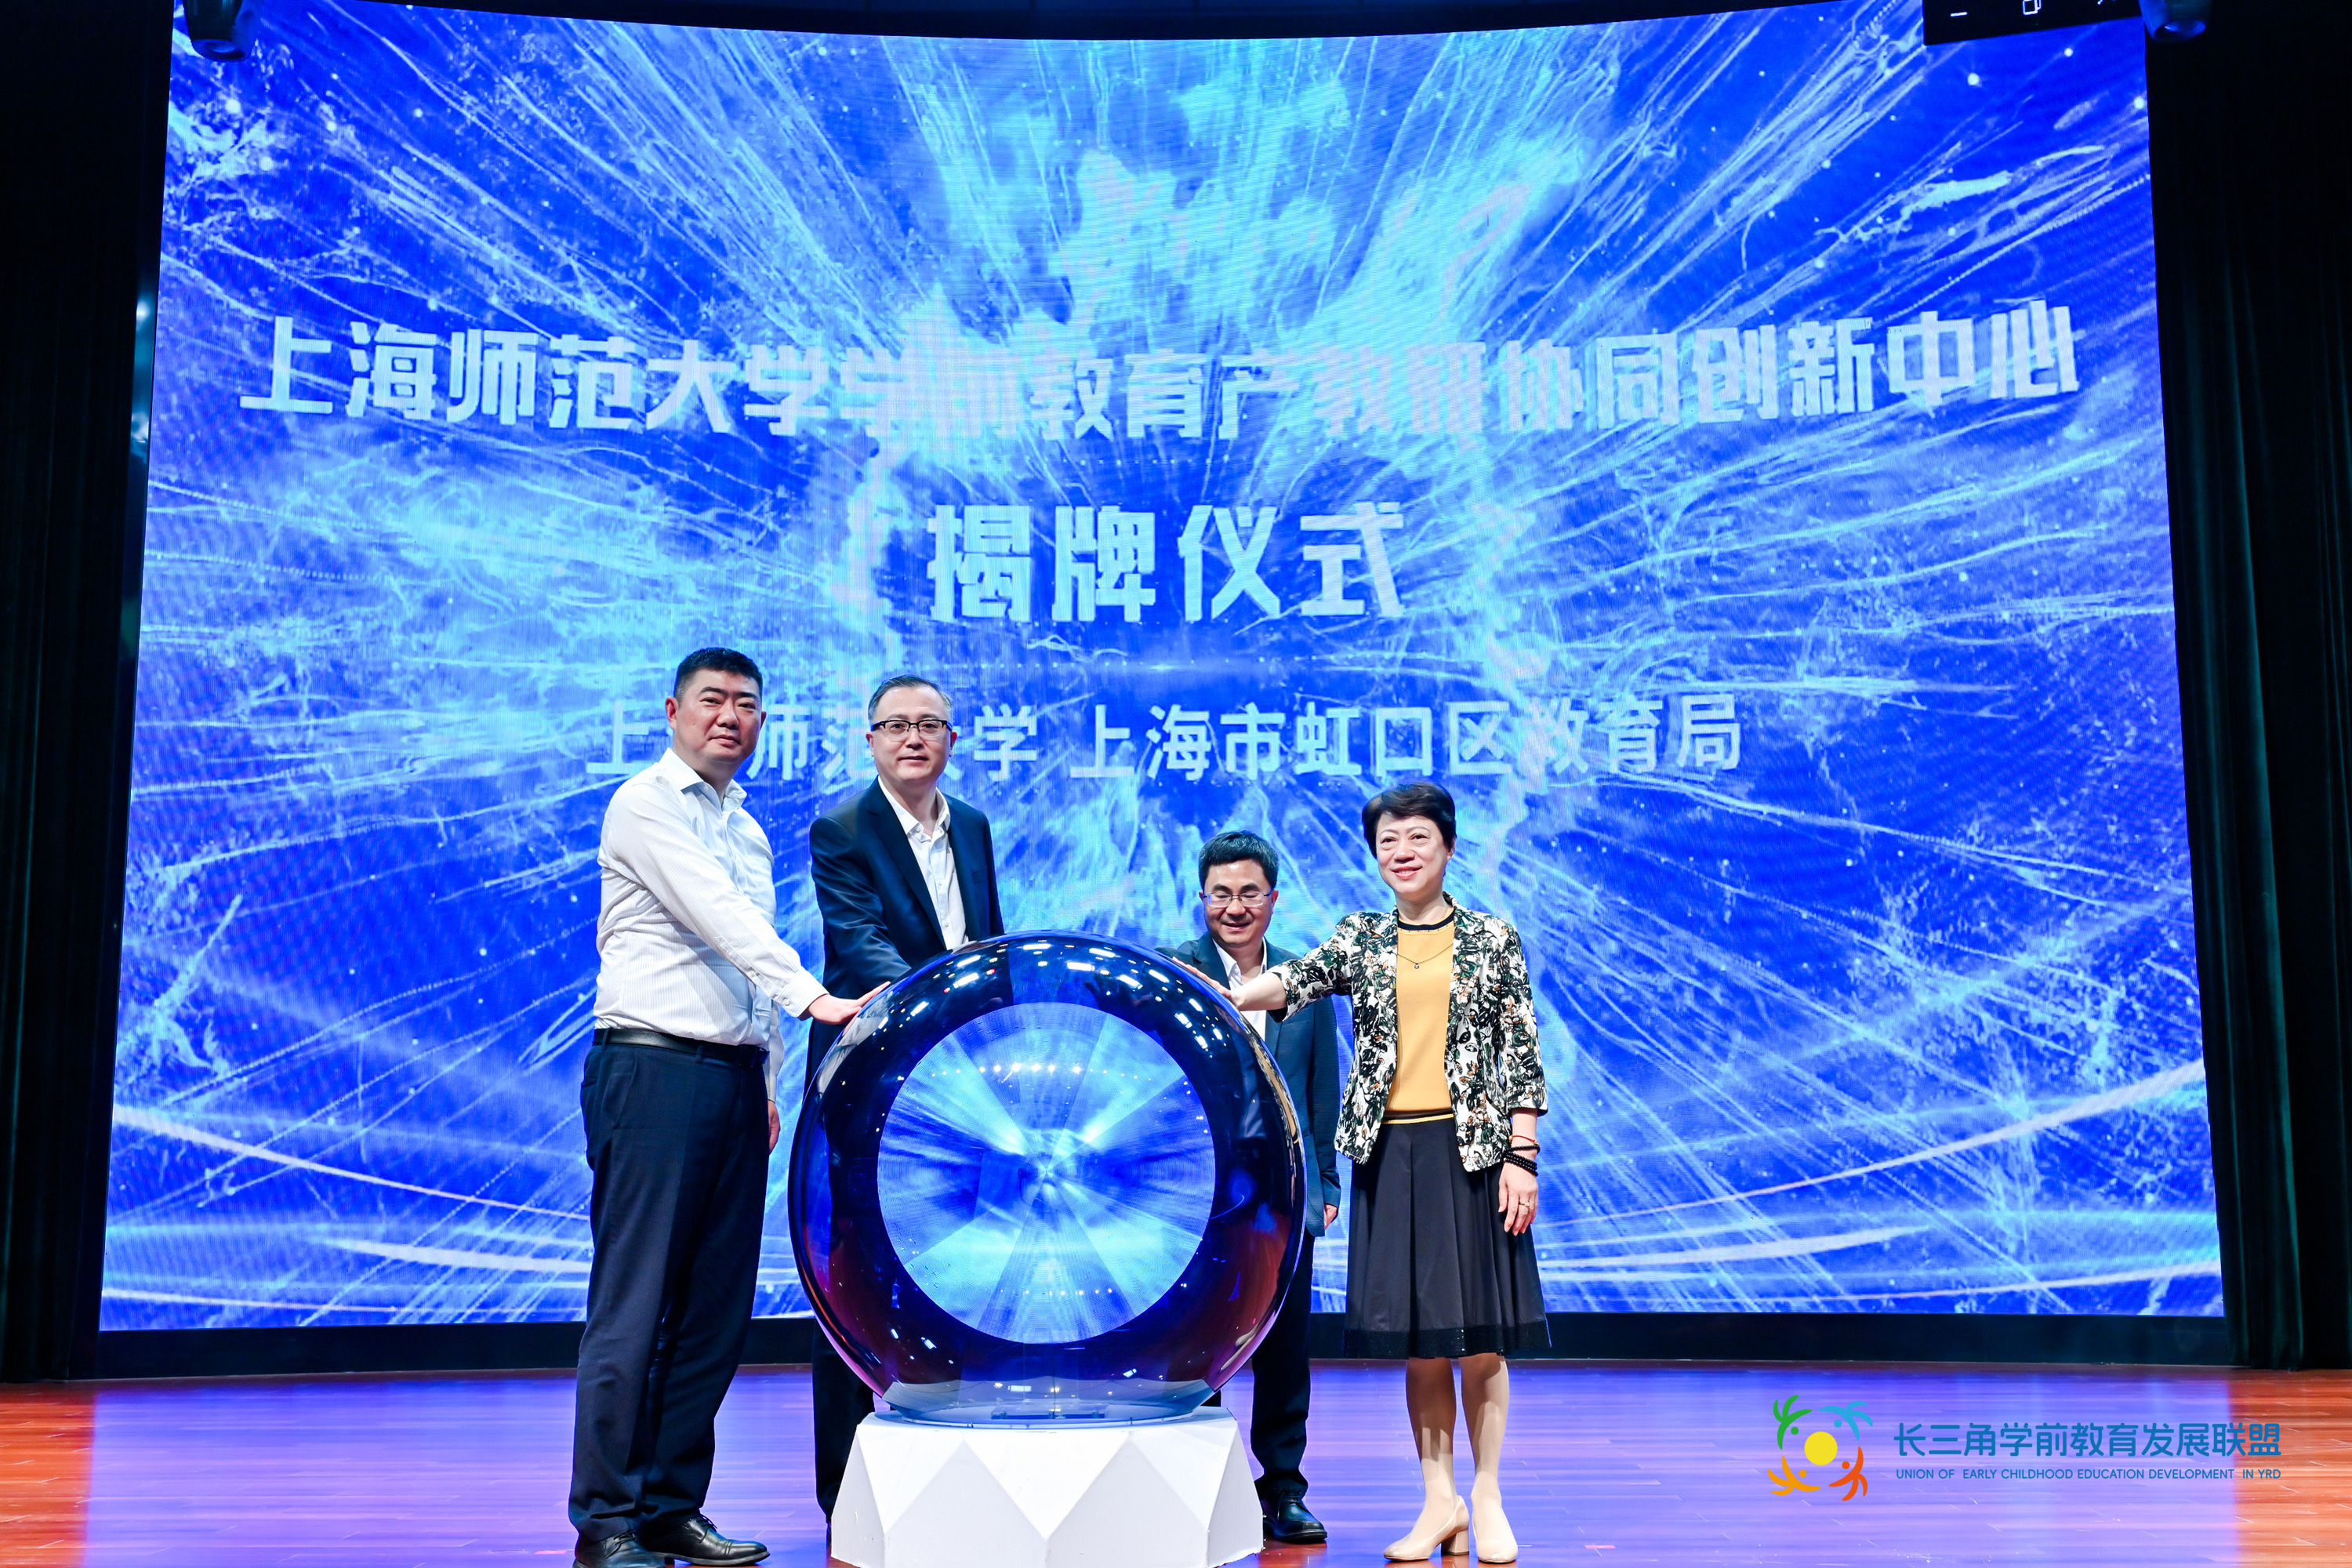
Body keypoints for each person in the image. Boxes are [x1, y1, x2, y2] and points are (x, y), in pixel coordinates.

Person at [572, 648, 878, 1568]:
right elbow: (719, 917)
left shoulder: (745, 827)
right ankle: (607, 1519)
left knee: (714, 1309)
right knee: (635, 1303)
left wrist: (770, 1074)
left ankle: (671, 1504)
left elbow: (749, 955)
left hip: (734, 1080)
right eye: (712, 700)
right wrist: (814, 998)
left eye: (747, 704)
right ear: (673, 711)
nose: (730, 717)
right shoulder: (644, 803)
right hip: (653, 1068)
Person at [1223, 780, 1547, 1566]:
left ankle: (1488, 1495)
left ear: (1449, 846)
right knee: (1422, 1341)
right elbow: (1295, 981)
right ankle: (1440, 1501)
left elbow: (1521, 1049)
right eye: (1388, 842)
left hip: (1473, 1152)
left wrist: (1522, 1155)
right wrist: (1230, 996)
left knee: (1482, 1341)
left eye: (1417, 838)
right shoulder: (1361, 936)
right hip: (1389, 1153)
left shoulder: (1491, 938)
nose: (1402, 853)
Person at [804, 673, 1007, 1521]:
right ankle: (847, 1492)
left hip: (960, 1079)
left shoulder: (974, 826)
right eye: (896, 725)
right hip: (874, 1074)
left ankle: (951, 1474)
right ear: (871, 740)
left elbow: (987, 940)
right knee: (852, 1272)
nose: (914, 738)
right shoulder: (843, 828)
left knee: (955, 1266)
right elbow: (862, 946)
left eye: (930, 725)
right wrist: (943, 1011)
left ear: (952, 740)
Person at [1160, 830, 1344, 1547]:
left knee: (1285, 1346)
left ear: (1273, 898)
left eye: (1248, 894)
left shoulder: (1303, 979)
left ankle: (1284, 1490)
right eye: (1220, 895)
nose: (1234, 908)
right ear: (1202, 898)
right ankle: (1195, 1487)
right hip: (1197, 1195)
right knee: (1193, 1342)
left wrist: (1325, 1181)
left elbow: (1320, 1091)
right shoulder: (1174, 970)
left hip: (1285, 1194)